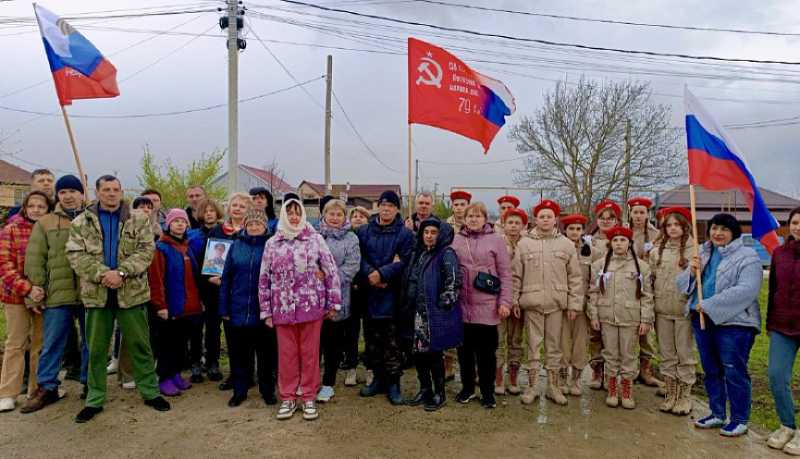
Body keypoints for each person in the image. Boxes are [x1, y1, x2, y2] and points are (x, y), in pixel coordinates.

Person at [66, 175, 169, 423]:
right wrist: (104, 274)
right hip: (97, 294)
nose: (111, 193)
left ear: (121, 192)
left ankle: (150, 391)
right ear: (97, 192)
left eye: (115, 189)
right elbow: (75, 254)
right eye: (106, 189)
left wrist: (121, 273)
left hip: (131, 293)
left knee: (140, 345)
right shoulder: (81, 222)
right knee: (96, 349)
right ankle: (94, 398)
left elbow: (146, 250)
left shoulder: (138, 219)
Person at [678, 213, 762, 437]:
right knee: (711, 369)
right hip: (702, 319)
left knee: (733, 370)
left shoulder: (748, 256)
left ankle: (740, 419)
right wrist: (691, 271)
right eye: (714, 228)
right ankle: (717, 413)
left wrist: (709, 305)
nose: (718, 233)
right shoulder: (703, 252)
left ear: (734, 232)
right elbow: (682, 285)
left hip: (734, 322)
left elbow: (747, 290)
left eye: (724, 229)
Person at [259, 199, 342, 421]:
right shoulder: (272, 243)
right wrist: (266, 311)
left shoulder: (315, 239)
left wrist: (333, 303)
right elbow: (264, 278)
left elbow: (331, 271)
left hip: (311, 306)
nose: (294, 217)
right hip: (282, 308)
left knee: (310, 354)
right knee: (287, 356)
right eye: (290, 213)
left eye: (297, 212)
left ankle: (308, 396)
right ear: (283, 216)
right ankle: (288, 397)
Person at [21, 176, 89, 413]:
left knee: (91, 341)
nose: (68, 196)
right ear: (57, 195)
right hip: (57, 293)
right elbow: (35, 259)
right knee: (52, 343)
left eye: (73, 191)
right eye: (63, 192)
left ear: (82, 194)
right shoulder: (46, 223)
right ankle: (47, 387)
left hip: (89, 293)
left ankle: (90, 383)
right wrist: (34, 291)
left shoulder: (91, 219)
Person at [514, 200, 582, 407]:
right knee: (533, 346)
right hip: (532, 303)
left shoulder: (566, 245)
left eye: (549, 216)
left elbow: (575, 277)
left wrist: (574, 304)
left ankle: (554, 387)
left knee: (554, 347)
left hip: (556, 304)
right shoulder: (524, 244)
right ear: (535, 219)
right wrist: (514, 300)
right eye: (541, 216)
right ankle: (532, 386)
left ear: (555, 220)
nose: (545, 220)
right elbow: (516, 275)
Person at [451, 202, 512, 409]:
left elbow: (505, 273)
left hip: (487, 306)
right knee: (465, 353)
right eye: (470, 216)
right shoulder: (456, 239)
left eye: (478, 216)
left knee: (486, 354)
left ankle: (487, 392)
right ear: (464, 218)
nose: (474, 219)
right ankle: (467, 388)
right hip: (463, 306)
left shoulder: (496, 240)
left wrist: (505, 301)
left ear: (485, 219)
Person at [357, 190, 414, 405]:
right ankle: (378, 379)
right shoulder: (364, 231)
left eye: (391, 205)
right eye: (383, 204)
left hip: (393, 293)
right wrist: (371, 274)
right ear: (378, 206)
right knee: (372, 340)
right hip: (369, 292)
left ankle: (393, 383)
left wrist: (382, 274)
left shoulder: (405, 234)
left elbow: (405, 261)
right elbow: (359, 256)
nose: (386, 209)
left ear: (397, 209)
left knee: (393, 342)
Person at [588, 226, 654, 410]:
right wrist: (594, 315)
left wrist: (645, 319)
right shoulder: (600, 265)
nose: (619, 244)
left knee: (628, 354)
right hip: (607, 316)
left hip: (630, 317)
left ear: (630, 243)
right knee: (610, 353)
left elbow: (647, 295)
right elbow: (593, 292)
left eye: (623, 240)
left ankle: (626, 390)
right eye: (615, 240)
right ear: (610, 243)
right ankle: (612, 390)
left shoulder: (641, 266)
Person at [219, 209, 277, 407]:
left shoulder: (272, 246)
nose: (253, 227)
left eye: (257, 224)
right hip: (238, 308)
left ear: (265, 226)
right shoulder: (235, 246)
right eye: (250, 224)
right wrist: (224, 308)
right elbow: (226, 278)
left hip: (264, 310)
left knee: (266, 355)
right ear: (245, 226)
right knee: (239, 355)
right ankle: (240, 391)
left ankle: (267, 390)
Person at [403, 218, 462, 411]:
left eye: (433, 232)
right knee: (419, 353)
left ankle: (440, 393)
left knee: (434, 354)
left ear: (441, 234)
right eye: (426, 232)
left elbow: (453, 281)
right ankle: (425, 389)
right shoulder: (422, 253)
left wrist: (444, 304)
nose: (429, 236)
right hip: (418, 313)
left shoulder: (446, 253)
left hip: (434, 313)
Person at [0, 191, 50, 412]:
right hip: (16, 296)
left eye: (41, 206)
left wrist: (42, 291)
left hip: (43, 296)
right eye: (32, 206)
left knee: (40, 343)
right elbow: (5, 265)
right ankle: (8, 392)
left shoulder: (48, 230)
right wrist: (27, 289)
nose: (36, 210)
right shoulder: (11, 229)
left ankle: (35, 388)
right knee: (16, 343)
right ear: (25, 207)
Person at [148, 209, 203, 397]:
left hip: (189, 306)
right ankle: (164, 378)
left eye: (183, 221)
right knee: (167, 344)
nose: (180, 224)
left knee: (181, 343)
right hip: (171, 306)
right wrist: (160, 305)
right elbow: (156, 279)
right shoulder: (161, 248)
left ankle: (176, 374)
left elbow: (194, 277)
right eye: (175, 221)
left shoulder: (186, 247)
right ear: (168, 225)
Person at [648, 207, 696, 416]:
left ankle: (684, 395)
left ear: (685, 226)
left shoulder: (695, 251)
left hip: (683, 311)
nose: (673, 228)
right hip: (662, 310)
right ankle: (671, 392)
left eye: (677, 224)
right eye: (669, 225)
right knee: (667, 354)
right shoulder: (657, 251)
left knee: (684, 354)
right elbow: (650, 280)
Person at [317, 199, 361, 402]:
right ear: (324, 215)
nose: (335, 218)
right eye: (331, 214)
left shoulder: (351, 238)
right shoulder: (315, 236)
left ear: (344, 217)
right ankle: (310, 382)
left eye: (339, 214)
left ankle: (328, 383)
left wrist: (328, 278)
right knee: (314, 344)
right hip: (313, 297)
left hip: (338, 298)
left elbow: (352, 266)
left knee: (332, 343)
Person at [207, 192, 252, 389]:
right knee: (231, 335)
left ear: (248, 210)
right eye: (235, 205)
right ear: (228, 208)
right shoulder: (217, 231)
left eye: (242, 206)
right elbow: (210, 261)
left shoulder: (253, 231)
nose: (238, 209)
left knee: (247, 336)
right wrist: (213, 276)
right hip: (223, 291)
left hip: (246, 292)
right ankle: (235, 375)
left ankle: (248, 375)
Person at [767, 207, 800, 453]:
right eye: (795, 222)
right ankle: (787, 425)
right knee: (777, 376)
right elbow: (773, 289)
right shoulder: (779, 253)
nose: (799, 227)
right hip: (782, 325)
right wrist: (770, 322)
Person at [187, 198, 224, 382]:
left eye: (212, 210)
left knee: (213, 328)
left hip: (215, 288)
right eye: (206, 211)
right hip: (195, 286)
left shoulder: (224, 234)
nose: (209, 214)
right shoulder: (192, 236)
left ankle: (212, 362)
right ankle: (195, 362)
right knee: (195, 327)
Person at [627, 197, 663, 388]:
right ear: (630, 214)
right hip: (627, 285)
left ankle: (646, 369)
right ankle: (626, 369)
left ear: (648, 214)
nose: (639, 216)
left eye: (642, 212)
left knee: (646, 330)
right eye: (635, 212)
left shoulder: (657, 234)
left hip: (649, 285)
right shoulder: (624, 232)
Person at [588, 199, 621, 390]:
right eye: (602, 217)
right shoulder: (589, 240)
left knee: (614, 337)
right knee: (595, 335)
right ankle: (597, 369)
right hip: (595, 293)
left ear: (616, 220)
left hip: (616, 294)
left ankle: (612, 372)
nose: (606, 221)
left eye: (610, 218)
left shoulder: (621, 240)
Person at [495, 207, 527, 396]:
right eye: (510, 222)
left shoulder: (528, 244)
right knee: (498, 339)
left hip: (522, 300)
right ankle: (498, 376)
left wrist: (519, 300)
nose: (513, 226)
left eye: (517, 223)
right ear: (504, 224)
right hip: (501, 299)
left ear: (523, 226)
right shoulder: (497, 243)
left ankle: (513, 376)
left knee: (516, 339)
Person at [559, 213, 592, 396]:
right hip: (563, 303)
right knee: (562, 342)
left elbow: (594, 279)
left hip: (583, 305)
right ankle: (562, 376)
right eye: (571, 228)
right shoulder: (559, 248)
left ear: (583, 231)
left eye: (578, 229)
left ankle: (576, 378)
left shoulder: (590, 251)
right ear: (565, 230)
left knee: (580, 343)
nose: (574, 232)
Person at [342, 206, 371, 386]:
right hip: (349, 290)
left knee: (369, 331)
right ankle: (351, 367)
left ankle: (369, 368)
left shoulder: (371, 237)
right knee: (351, 332)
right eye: (355, 216)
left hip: (369, 288)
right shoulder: (346, 237)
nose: (358, 218)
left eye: (362, 216)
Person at [445, 189, 472, 380]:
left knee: (472, 326)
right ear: (452, 206)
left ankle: (472, 367)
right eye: (456, 204)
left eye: (463, 204)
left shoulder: (475, 225)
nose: (460, 208)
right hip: (451, 278)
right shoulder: (445, 227)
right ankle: (448, 364)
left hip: (472, 280)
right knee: (450, 324)